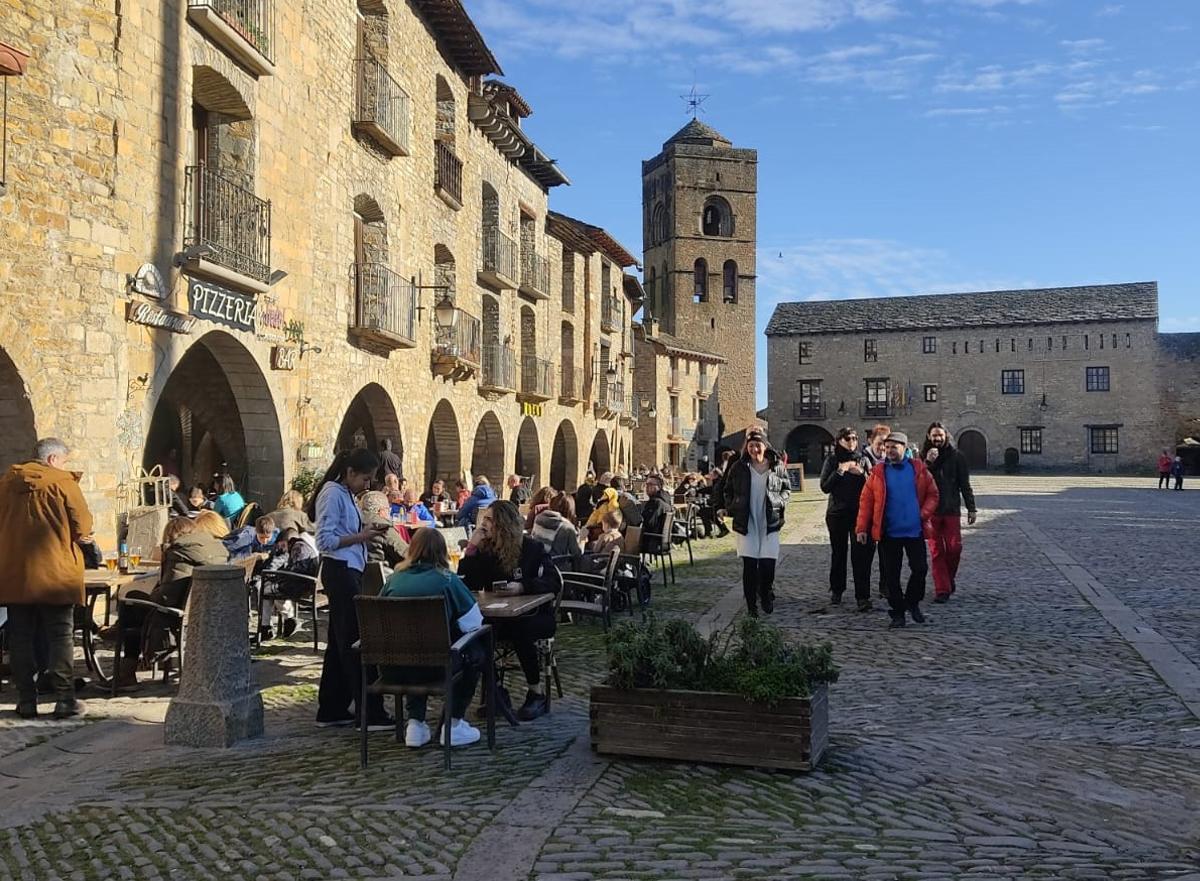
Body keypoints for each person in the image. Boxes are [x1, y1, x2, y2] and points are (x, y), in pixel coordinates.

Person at [0, 438, 95, 719]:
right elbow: (83, 525)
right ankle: (65, 699)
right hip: (56, 573)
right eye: (64, 461)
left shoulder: (6, 484)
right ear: (53, 459)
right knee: (60, 635)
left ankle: (27, 700)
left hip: (15, 572)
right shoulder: (62, 483)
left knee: (20, 637)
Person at [309, 449, 394, 730]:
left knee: (338, 643)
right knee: (355, 643)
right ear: (350, 473)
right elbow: (326, 540)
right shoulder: (333, 494)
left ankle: (332, 707)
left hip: (349, 569)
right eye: (365, 479)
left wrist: (365, 530)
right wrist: (363, 536)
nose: (367, 485)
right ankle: (369, 711)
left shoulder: (345, 494)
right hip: (341, 571)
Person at [380, 527, 486, 748]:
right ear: (442, 551)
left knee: (412, 647)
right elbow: (473, 622)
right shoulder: (447, 580)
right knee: (475, 650)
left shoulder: (393, 581)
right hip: (437, 666)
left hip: (394, 667)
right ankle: (454, 723)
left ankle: (416, 724)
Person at [457, 501, 559, 721]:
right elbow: (467, 584)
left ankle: (536, 692)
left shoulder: (531, 548)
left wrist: (523, 586)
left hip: (537, 615)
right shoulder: (487, 551)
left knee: (520, 629)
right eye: (484, 519)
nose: (484, 525)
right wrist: (471, 549)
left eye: (489, 519)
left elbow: (552, 581)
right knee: (478, 631)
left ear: (503, 524)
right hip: (500, 615)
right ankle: (496, 691)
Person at [106, 515, 228, 688]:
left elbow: (165, 597)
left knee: (131, 602)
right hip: (202, 611)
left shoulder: (178, 553)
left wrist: (151, 595)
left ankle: (126, 671)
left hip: (173, 616)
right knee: (135, 604)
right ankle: (119, 635)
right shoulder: (213, 550)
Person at [856, 432, 939, 629]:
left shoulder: (918, 469)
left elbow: (933, 494)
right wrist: (862, 528)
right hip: (889, 533)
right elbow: (866, 502)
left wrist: (923, 514)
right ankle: (898, 612)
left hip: (914, 530)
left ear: (905, 447)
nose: (890, 451)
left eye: (894, 447)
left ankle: (912, 601)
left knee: (920, 569)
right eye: (887, 447)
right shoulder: (877, 473)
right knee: (891, 577)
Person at [720, 428, 790, 617]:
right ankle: (751, 606)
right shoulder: (740, 467)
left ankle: (766, 593)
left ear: (765, 446)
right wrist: (731, 506)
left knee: (768, 564)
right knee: (749, 565)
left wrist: (779, 502)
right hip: (747, 520)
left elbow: (786, 489)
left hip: (769, 521)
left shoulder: (776, 466)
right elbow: (727, 490)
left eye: (757, 445)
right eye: (751, 446)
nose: (754, 449)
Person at [921, 422, 978, 604]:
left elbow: (964, 484)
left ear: (946, 436)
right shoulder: (922, 457)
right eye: (934, 435)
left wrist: (971, 508)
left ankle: (948, 579)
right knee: (937, 552)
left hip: (951, 509)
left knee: (954, 548)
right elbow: (918, 482)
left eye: (940, 435)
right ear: (929, 437)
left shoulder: (957, 457)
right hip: (931, 512)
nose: (937, 438)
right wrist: (928, 462)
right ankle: (942, 589)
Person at [819, 427, 874, 611]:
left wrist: (863, 474)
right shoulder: (832, 460)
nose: (851, 442)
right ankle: (837, 590)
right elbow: (825, 487)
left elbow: (874, 486)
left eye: (854, 438)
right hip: (837, 514)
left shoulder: (864, 459)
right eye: (847, 438)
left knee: (861, 556)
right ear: (839, 440)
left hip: (859, 515)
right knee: (838, 554)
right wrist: (840, 471)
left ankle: (863, 596)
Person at [358, 491, 408, 569]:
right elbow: (405, 554)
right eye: (388, 510)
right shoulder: (382, 526)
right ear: (381, 511)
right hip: (383, 576)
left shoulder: (352, 523)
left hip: (356, 574)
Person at [531, 494, 583, 569]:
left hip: (537, 564)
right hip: (558, 568)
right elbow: (577, 554)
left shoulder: (539, 519)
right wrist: (583, 540)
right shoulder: (567, 528)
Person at [640, 475, 674, 552]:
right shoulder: (665, 499)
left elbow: (649, 523)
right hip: (662, 541)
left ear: (659, 487)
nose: (647, 487)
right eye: (647, 485)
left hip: (653, 542)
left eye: (650, 485)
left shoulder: (656, 503)